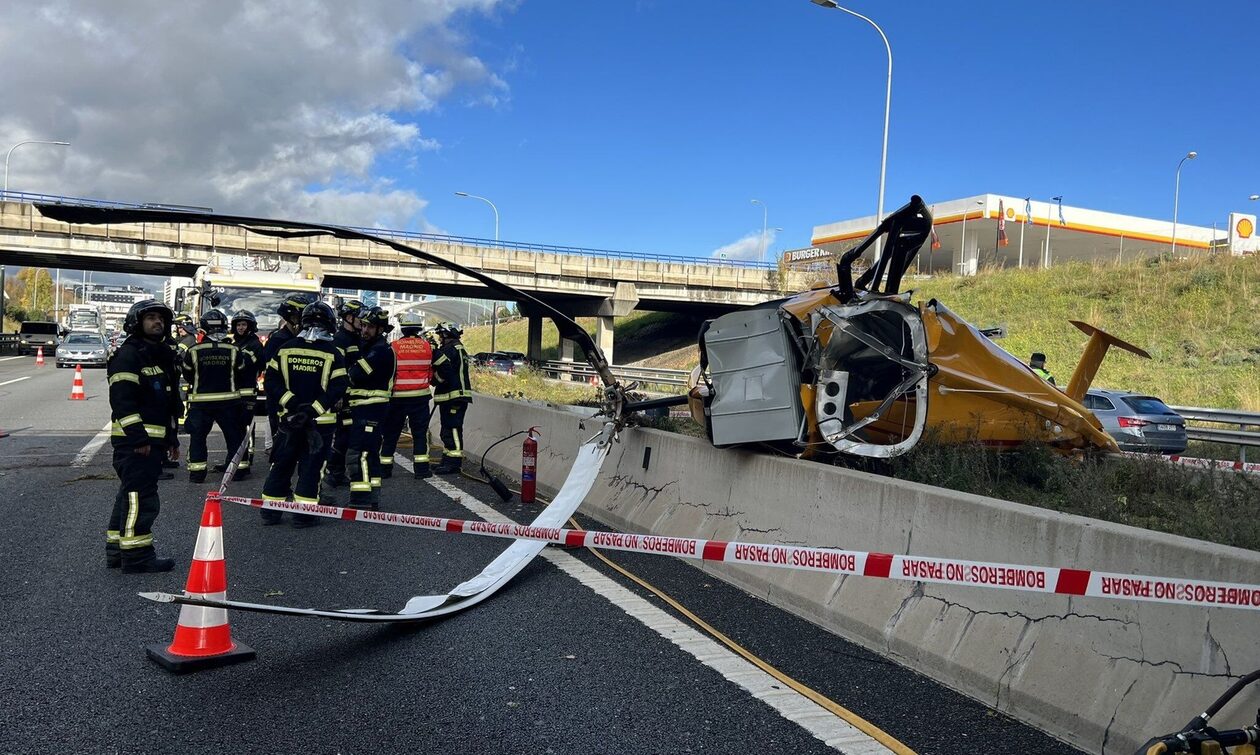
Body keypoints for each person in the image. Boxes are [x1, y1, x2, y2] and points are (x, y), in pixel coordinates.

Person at [106, 299, 182, 573]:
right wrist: (138, 439)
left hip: (153, 442)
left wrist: (172, 438)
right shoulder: (130, 355)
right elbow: (123, 401)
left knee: (128, 495)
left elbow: (168, 401)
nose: (157, 322)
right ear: (136, 322)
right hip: (136, 444)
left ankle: (117, 550)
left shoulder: (159, 355)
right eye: (150, 318)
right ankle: (137, 556)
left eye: (160, 319)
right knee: (141, 498)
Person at [261, 302, 347, 527]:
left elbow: (271, 381)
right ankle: (303, 515)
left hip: (289, 421)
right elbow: (338, 388)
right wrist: (311, 410)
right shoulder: (333, 353)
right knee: (311, 468)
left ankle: (271, 511)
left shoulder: (285, 348)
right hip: (320, 424)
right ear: (329, 324)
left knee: (281, 464)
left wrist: (292, 404)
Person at [181, 309, 252, 482]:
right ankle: (238, 471)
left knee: (198, 438)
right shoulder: (234, 350)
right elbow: (242, 373)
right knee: (234, 437)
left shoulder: (194, 350)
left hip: (201, 403)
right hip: (229, 403)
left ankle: (197, 473)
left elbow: (188, 374)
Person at [345, 306, 395, 509]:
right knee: (371, 454)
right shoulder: (370, 348)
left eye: (370, 327)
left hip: (371, 409)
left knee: (360, 453)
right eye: (363, 325)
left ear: (380, 329)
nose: (364, 330)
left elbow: (355, 374)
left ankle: (361, 498)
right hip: (366, 408)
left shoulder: (380, 351)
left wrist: (350, 368)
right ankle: (372, 496)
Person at [262, 292, 321, 453]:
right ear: (292, 318)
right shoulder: (278, 339)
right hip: (280, 393)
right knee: (278, 426)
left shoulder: (304, 339)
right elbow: (271, 370)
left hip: (300, 391)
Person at [379, 311, 434, 479]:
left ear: (402, 329)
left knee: (390, 433)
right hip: (420, 396)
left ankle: (385, 469)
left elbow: (388, 372)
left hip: (397, 397)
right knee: (420, 433)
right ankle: (422, 470)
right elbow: (430, 372)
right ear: (418, 329)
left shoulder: (393, 346)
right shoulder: (427, 347)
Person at [323, 299, 364, 487]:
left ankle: (338, 472)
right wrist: (338, 394)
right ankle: (334, 472)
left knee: (348, 436)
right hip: (344, 397)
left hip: (356, 397)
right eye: (359, 318)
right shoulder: (340, 340)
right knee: (341, 437)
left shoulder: (358, 339)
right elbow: (336, 369)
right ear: (349, 318)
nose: (362, 322)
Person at [431, 322, 473, 475]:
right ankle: (447, 460)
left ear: (447, 335)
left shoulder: (448, 350)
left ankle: (454, 463)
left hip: (453, 397)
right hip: (456, 396)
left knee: (452, 430)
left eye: (441, 335)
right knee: (447, 429)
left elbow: (443, 372)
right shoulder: (457, 347)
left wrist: (433, 380)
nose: (440, 339)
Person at [230, 310, 266, 475]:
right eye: (238, 324)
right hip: (233, 392)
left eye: (244, 324)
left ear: (250, 326)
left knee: (246, 426)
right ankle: (235, 458)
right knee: (235, 427)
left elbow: (247, 365)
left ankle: (246, 459)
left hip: (247, 392)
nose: (241, 328)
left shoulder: (254, 344)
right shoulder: (234, 343)